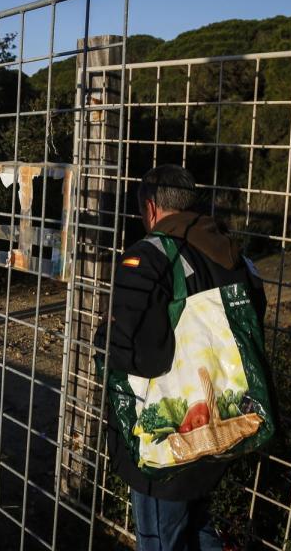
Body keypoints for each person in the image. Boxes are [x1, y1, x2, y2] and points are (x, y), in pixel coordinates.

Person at [94, 164, 267, 551]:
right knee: (197, 523)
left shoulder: (149, 256)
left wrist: (104, 333)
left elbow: (138, 356)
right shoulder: (231, 253)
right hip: (223, 420)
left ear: (150, 209)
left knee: (161, 538)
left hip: (170, 441)